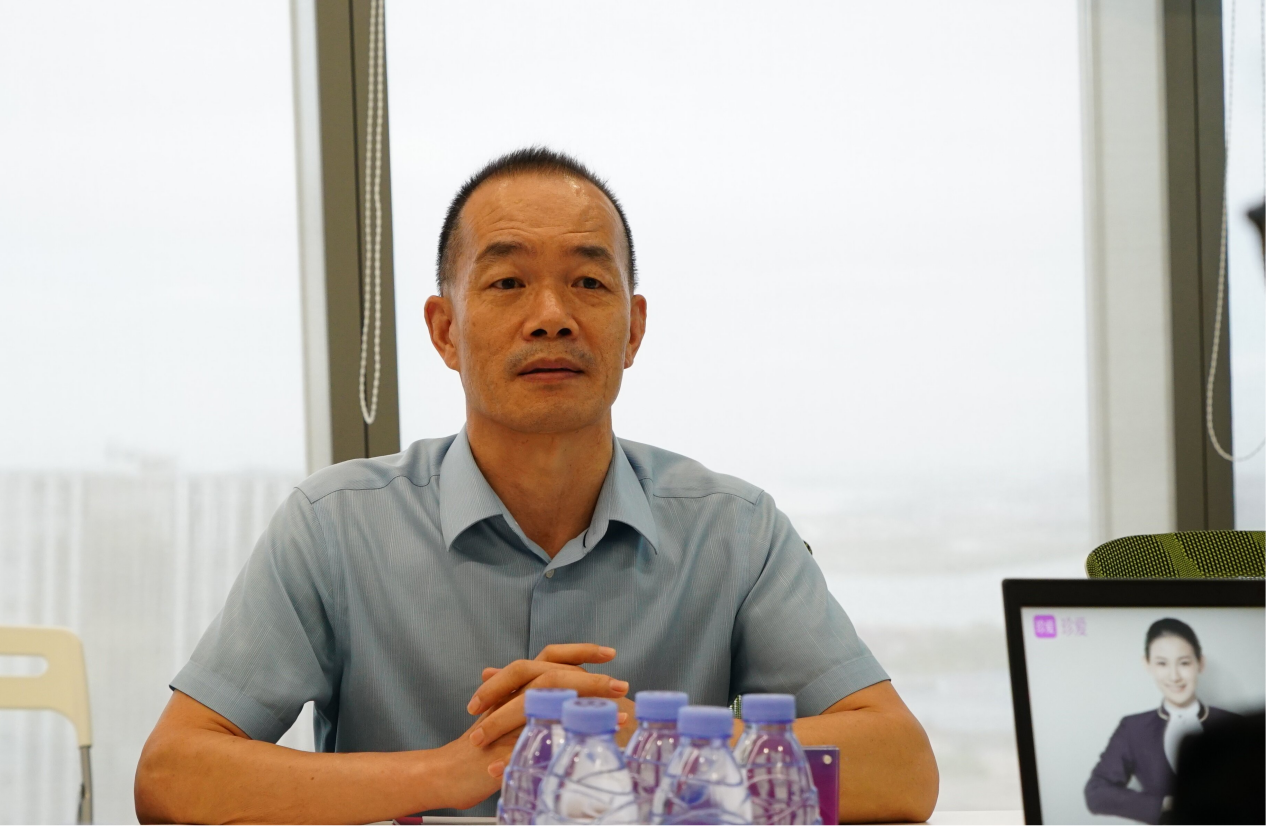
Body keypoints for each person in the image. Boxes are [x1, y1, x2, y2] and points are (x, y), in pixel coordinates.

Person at [133, 147, 938, 824]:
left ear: (634, 328)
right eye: (507, 282)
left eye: (588, 283)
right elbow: (172, 775)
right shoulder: (335, 524)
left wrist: (645, 743)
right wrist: (455, 769)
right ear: (445, 330)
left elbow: (901, 767)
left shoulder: (735, 529)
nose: (551, 315)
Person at [1085, 618, 1240, 825]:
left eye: (1184, 663)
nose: (1174, 676)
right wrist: (1164, 804)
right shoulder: (1134, 729)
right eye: (1162, 663)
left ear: (1200, 663)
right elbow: (1096, 792)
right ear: (1147, 664)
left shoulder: (1234, 724)